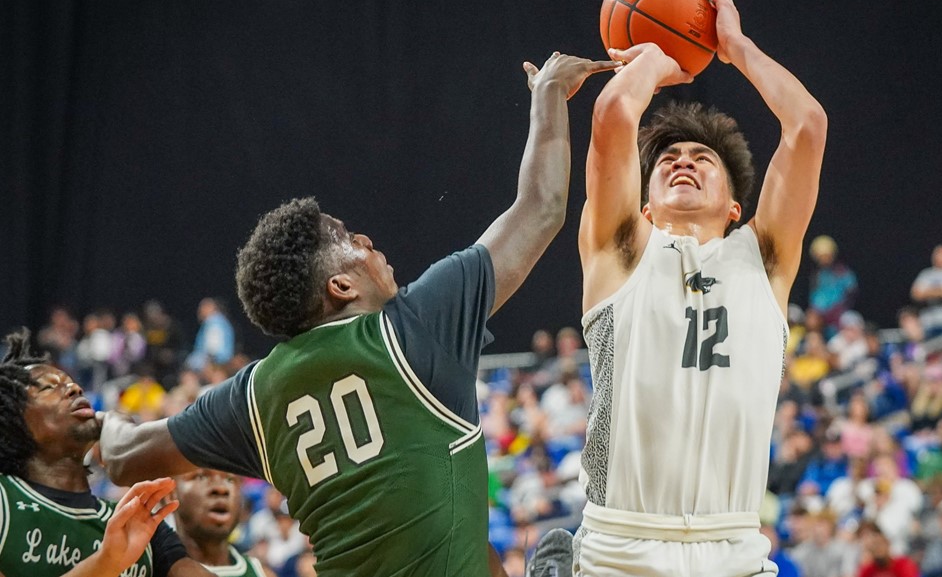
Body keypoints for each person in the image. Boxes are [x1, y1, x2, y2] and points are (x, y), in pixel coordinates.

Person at [99, 52, 619, 577]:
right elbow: (541, 205)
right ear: (341, 286)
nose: (367, 241)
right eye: (350, 239)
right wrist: (549, 92)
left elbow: (124, 457)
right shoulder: (415, 325)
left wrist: (98, 422)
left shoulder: (252, 395)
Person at [573, 0, 827, 576]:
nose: (683, 162)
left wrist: (735, 47)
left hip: (736, 549)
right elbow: (613, 114)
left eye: (702, 158)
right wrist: (655, 61)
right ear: (643, 202)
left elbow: (807, 127)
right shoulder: (620, 249)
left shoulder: (763, 258)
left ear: (736, 207)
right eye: (669, 158)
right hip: (620, 547)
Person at [0, 329, 208, 577]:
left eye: (71, 383)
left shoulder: (136, 520)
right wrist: (107, 562)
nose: (74, 389)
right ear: (14, 421)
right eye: (48, 388)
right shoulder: (5, 499)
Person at [172, 468, 273, 576]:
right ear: (170, 494)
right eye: (201, 477)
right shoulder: (154, 569)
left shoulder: (262, 573)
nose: (221, 488)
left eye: (230, 479)